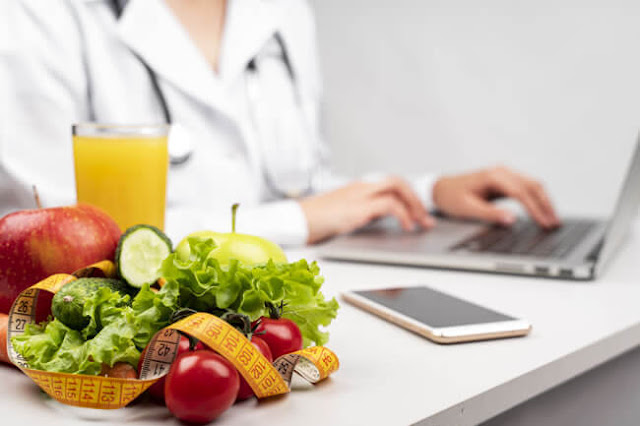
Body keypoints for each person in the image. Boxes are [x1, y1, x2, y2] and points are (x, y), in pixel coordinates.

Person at [0, 0, 559, 246]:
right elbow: (63, 239)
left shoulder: (281, 12)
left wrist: (426, 192)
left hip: (270, 327)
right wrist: (294, 221)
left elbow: (298, 185)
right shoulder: (36, 15)